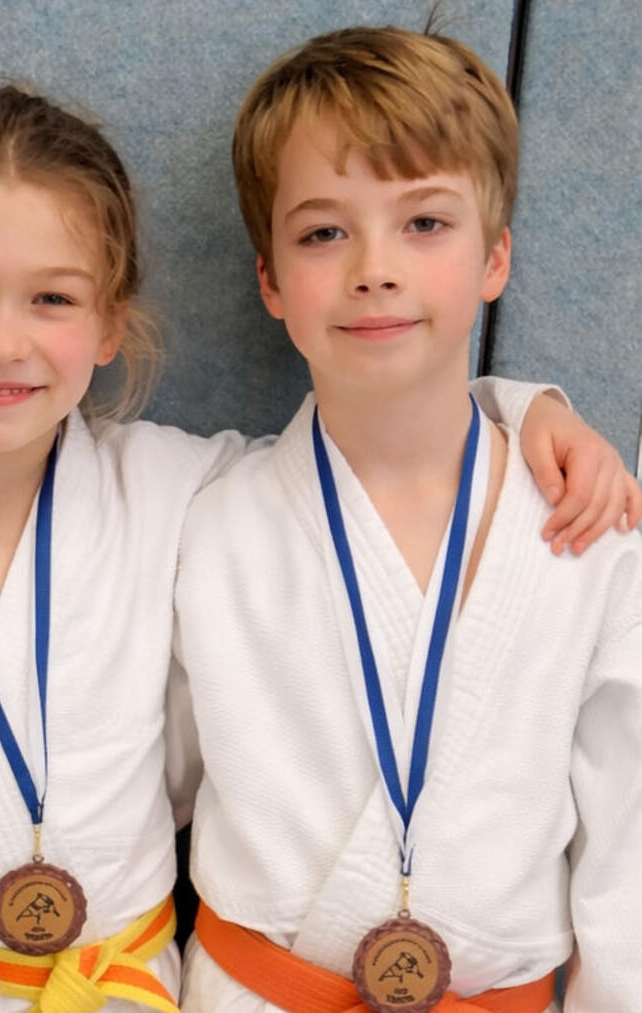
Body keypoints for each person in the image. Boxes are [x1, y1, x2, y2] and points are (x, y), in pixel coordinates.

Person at [0, 84, 637, 1012]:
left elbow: (376, 439)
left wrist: (526, 410)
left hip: (126, 985)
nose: (2, 339)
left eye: (52, 298)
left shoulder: (177, 489)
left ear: (113, 320)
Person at [174, 25, 641, 1011]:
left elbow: (629, 847)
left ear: (495, 256)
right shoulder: (208, 526)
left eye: (424, 224)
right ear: (269, 281)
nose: (374, 268)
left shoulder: (592, 530)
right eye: (322, 232)